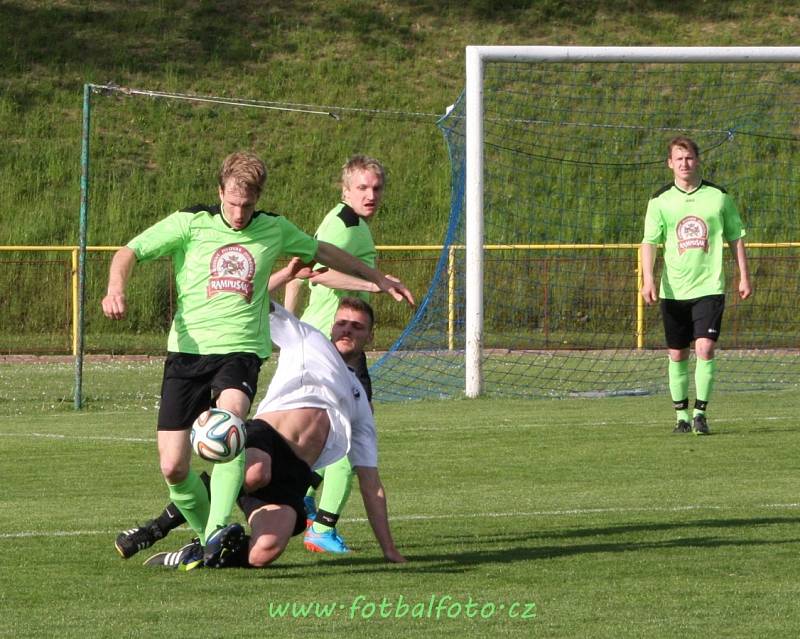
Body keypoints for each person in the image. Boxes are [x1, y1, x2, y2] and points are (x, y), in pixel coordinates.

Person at [104, 151, 413, 564]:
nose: (238, 213)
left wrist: (376, 277)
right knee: (174, 467)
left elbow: (321, 252)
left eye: (247, 205)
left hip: (240, 351)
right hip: (186, 354)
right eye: (231, 203)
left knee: (229, 426)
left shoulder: (273, 228)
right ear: (220, 193)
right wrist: (115, 287)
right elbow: (128, 252)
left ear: (258, 198)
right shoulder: (190, 222)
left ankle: (216, 533)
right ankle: (204, 540)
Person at [120, 296, 405, 568]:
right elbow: (256, 299)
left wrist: (389, 549)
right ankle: (155, 528)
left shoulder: (359, 398)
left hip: (295, 473)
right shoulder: (307, 338)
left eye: (357, 326)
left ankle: (199, 552)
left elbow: (371, 483)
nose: (347, 330)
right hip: (265, 436)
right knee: (255, 473)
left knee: (264, 552)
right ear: (332, 324)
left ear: (370, 335)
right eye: (342, 322)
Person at [282, 154, 386, 555]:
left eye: (375, 188)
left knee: (317, 436)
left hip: (320, 342)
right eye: (362, 187)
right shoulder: (345, 226)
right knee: (353, 438)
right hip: (333, 348)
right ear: (345, 191)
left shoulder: (345, 222)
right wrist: (373, 283)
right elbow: (314, 270)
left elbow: (299, 267)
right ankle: (321, 529)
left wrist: (290, 325)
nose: (370, 194)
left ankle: (303, 497)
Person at [640, 136, 751, 435]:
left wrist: (744, 275)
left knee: (705, 347)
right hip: (673, 289)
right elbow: (649, 242)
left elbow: (735, 237)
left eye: (689, 158)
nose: (684, 163)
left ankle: (700, 413)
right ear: (670, 164)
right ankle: (681, 418)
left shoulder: (718, 196)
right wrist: (648, 279)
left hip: (709, 287)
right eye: (679, 159)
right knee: (677, 354)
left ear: (697, 160)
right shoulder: (660, 200)